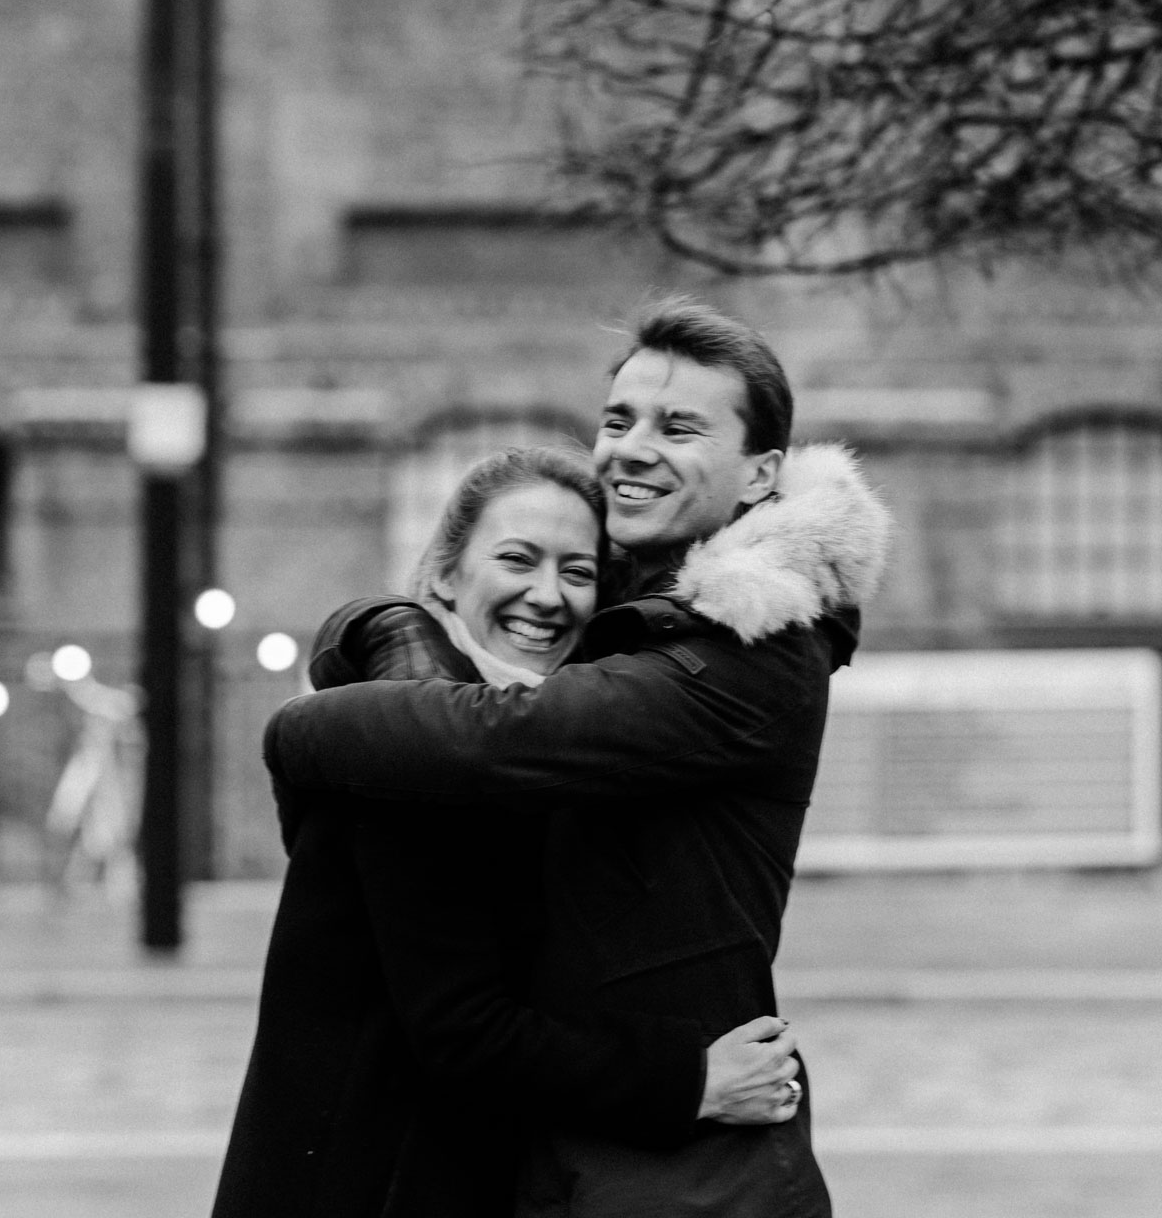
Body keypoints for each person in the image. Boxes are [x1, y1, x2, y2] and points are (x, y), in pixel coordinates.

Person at [265, 297, 892, 1216]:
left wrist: (296, 728)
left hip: (689, 1181)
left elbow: (502, 736)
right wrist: (379, 627)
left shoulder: (744, 652)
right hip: (594, 1156)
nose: (633, 447)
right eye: (618, 419)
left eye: (679, 426)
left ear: (761, 474)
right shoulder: (636, 614)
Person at [213, 445, 804, 1218]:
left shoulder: (515, 744)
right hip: (369, 1183)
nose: (548, 596)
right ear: (446, 575)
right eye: (517, 559)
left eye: (579, 571)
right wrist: (689, 1079)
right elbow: (465, 1033)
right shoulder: (416, 757)